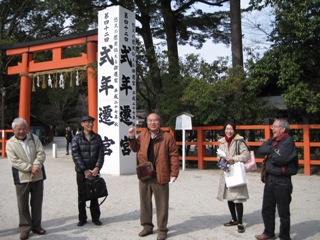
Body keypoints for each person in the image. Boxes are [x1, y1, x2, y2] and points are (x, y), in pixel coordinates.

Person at [128, 113, 179, 240]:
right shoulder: (142, 136)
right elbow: (134, 149)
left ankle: (162, 229)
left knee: (162, 204)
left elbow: (173, 155)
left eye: (155, 120)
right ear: (147, 122)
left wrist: (174, 173)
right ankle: (147, 226)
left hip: (160, 174)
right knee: (144, 202)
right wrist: (132, 137)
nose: (153, 123)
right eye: (150, 120)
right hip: (144, 174)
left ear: (159, 122)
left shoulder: (167, 137)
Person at [255, 119, 298, 240]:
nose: (272, 129)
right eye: (272, 126)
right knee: (267, 209)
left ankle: (284, 236)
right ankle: (268, 232)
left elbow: (279, 159)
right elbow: (262, 149)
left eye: (275, 127)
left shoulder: (288, 141)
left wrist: (271, 156)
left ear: (283, 129)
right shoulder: (273, 140)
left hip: (282, 181)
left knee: (283, 212)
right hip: (270, 179)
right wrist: (273, 152)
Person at [6, 117, 46, 240]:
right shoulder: (10, 143)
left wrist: (36, 165)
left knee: (37, 202)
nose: (22, 131)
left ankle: (36, 225)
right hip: (22, 178)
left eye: (24, 128)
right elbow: (14, 161)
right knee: (22, 204)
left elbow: (41, 153)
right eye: (19, 129)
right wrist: (30, 167)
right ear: (14, 130)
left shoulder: (33, 138)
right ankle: (25, 228)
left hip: (37, 176)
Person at [71, 115, 105, 227]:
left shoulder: (97, 137)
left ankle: (96, 218)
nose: (90, 124)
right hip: (82, 172)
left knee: (95, 195)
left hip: (94, 171)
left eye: (92, 122)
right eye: (88, 122)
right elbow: (76, 155)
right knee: (82, 196)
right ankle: (82, 218)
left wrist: (97, 167)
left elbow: (101, 154)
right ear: (82, 124)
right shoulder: (76, 138)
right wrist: (84, 170)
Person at [216, 121, 250, 234]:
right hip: (226, 171)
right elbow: (218, 155)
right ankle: (233, 218)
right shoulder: (222, 142)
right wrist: (220, 159)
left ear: (234, 130)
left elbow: (246, 155)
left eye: (230, 129)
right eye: (226, 129)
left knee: (237, 197)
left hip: (235, 171)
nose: (228, 131)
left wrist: (233, 158)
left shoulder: (239, 141)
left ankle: (240, 222)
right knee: (229, 197)